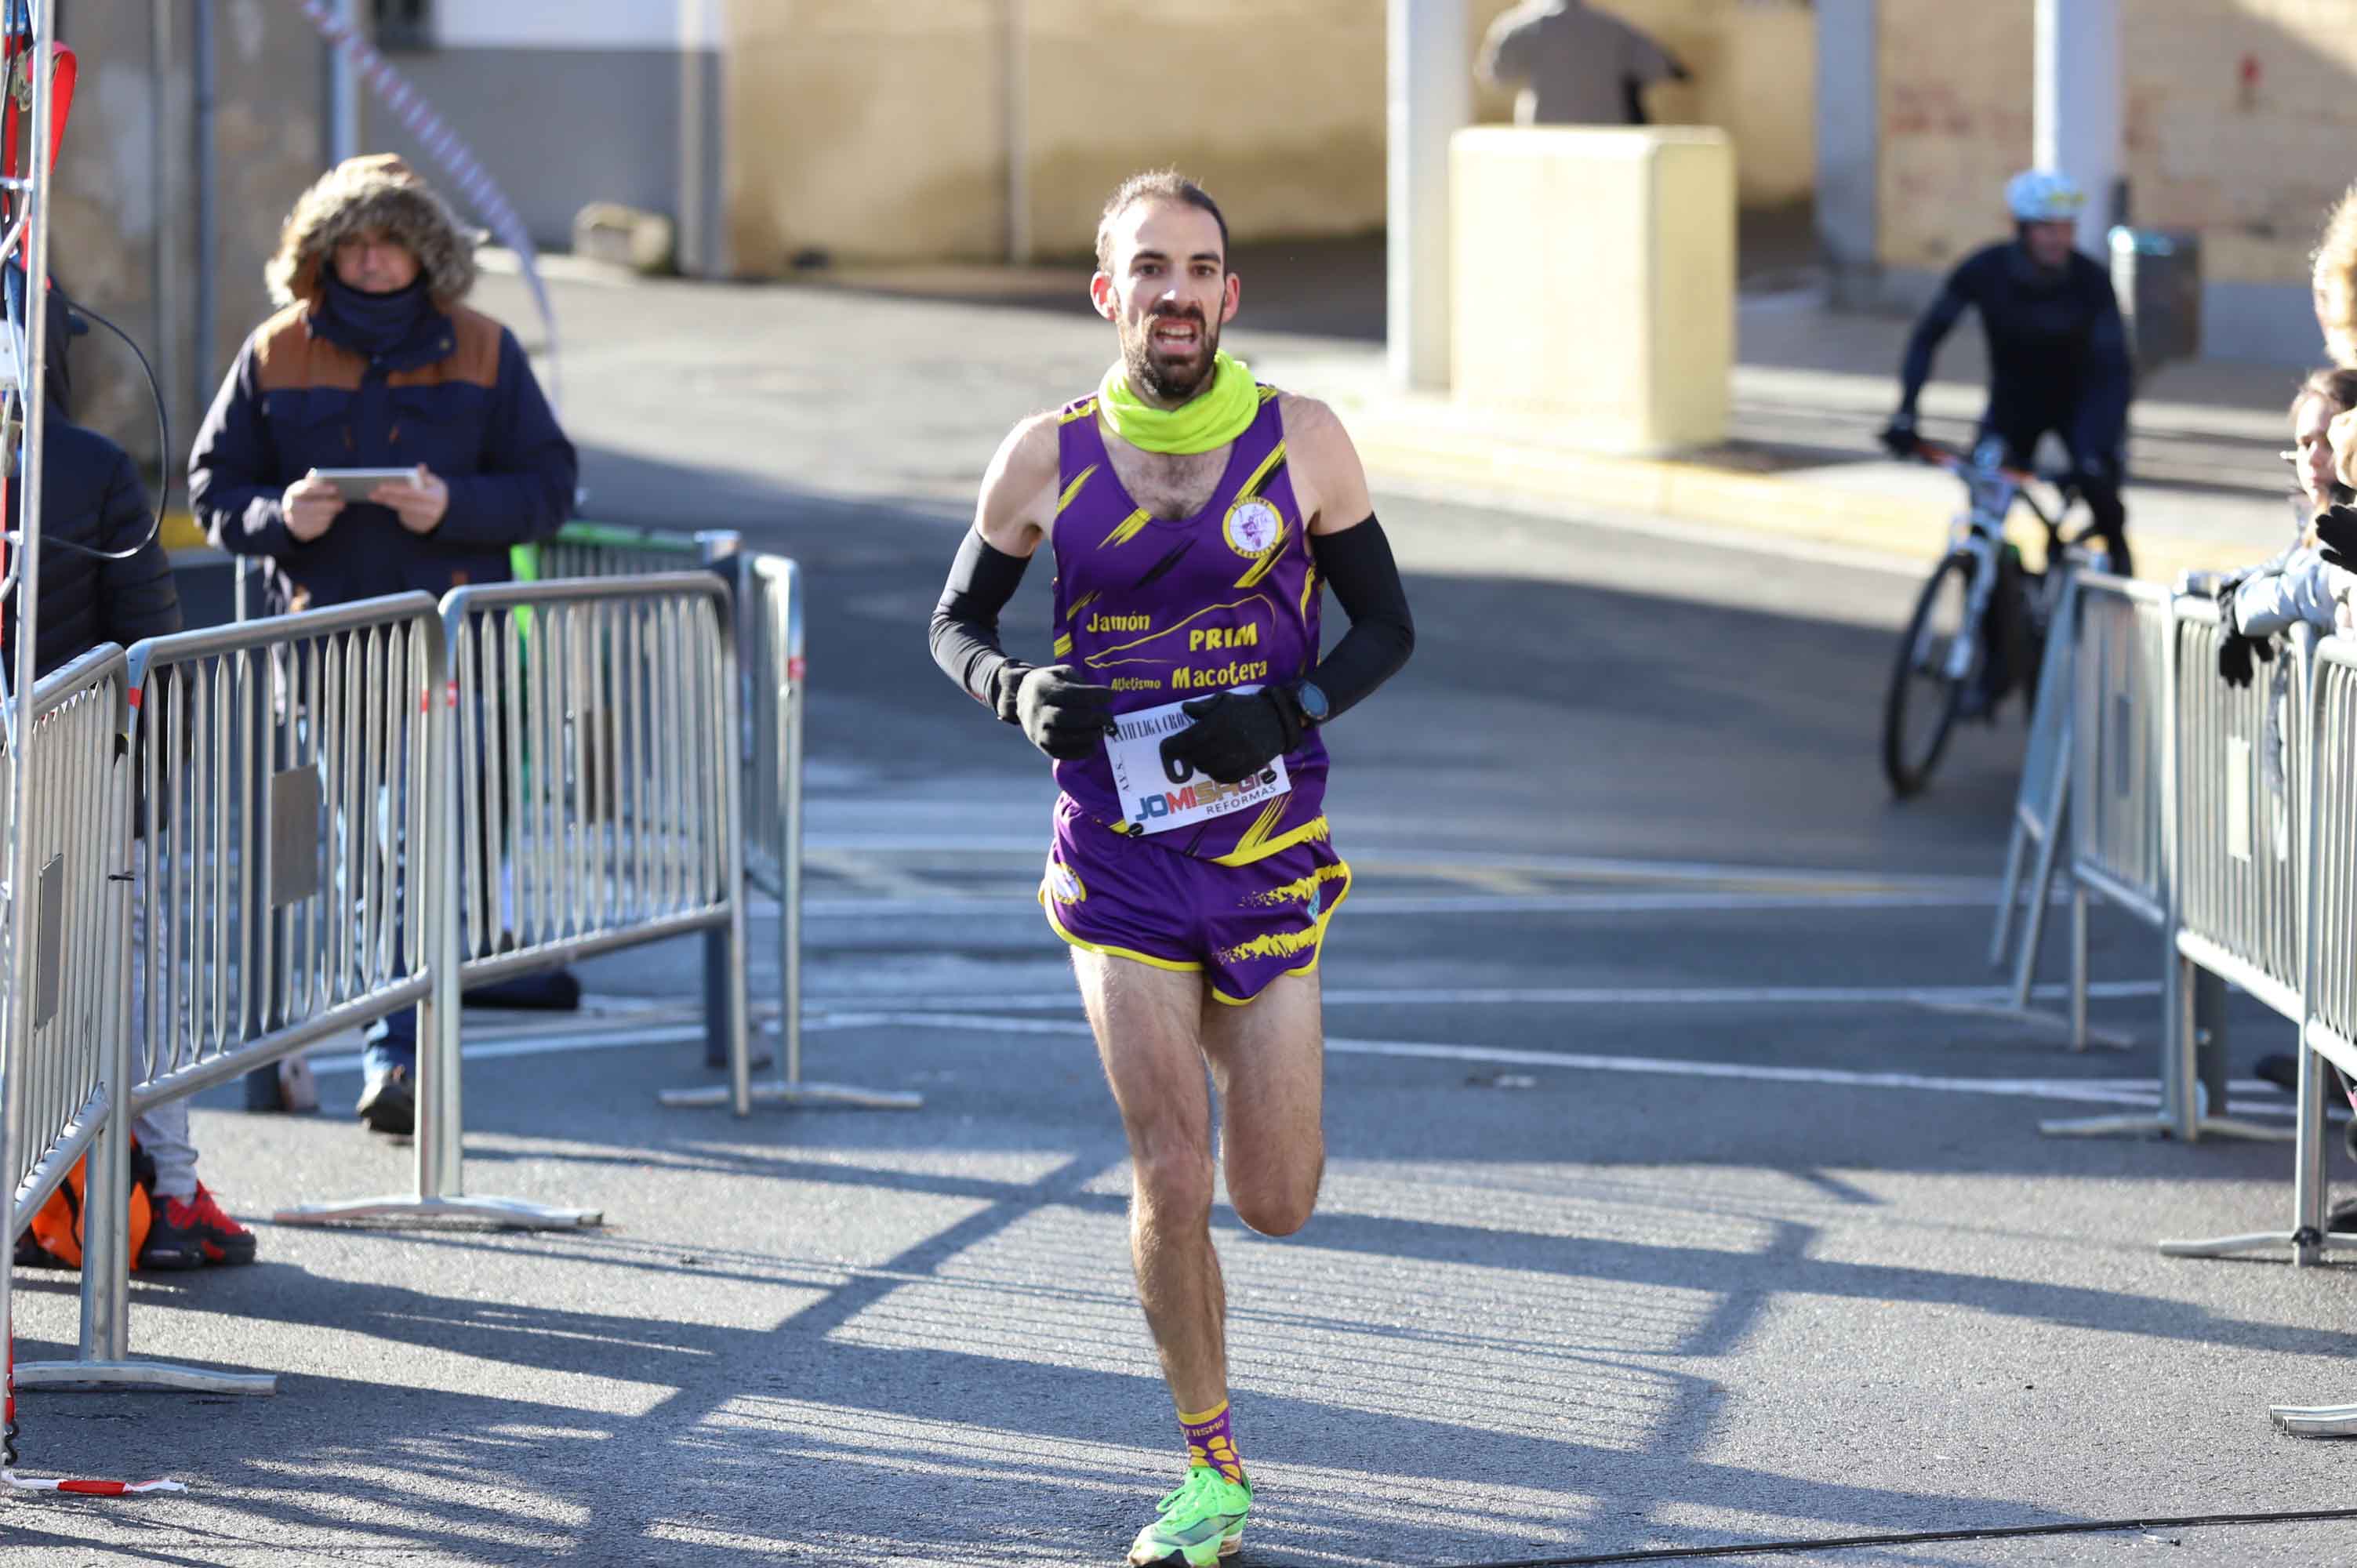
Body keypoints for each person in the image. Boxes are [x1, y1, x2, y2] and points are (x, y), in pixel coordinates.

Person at [928, 171, 1415, 1567]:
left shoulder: (1303, 440)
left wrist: (1289, 710)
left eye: (1200, 268)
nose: (1178, 293)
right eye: (1150, 268)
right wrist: (1014, 694)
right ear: (1109, 292)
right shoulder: (1046, 454)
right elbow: (957, 622)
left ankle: (1243, 1036)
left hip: (1263, 854)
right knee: (1169, 1170)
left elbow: (1385, 628)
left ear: (1229, 293)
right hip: (1117, 861)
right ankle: (1210, 1473)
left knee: (1277, 1197)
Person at [187, 154, 577, 1135]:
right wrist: (286, 514)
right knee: (364, 861)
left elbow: (549, 484)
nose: (368, 262)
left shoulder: (485, 346)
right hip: (327, 650)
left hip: (451, 648)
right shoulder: (275, 349)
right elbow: (213, 489)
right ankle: (389, 1045)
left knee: (425, 852)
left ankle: (394, 1052)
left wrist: (455, 503)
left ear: (423, 252)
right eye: (351, 244)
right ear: (320, 252)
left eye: (387, 243)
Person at [2, 387, 254, 1268]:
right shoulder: (88, 462)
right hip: (87, 784)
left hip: (65, 777)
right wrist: (143, 794)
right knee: (128, 981)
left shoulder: (75, 466)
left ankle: (56, 1202)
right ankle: (169, 1192)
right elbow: (152, 647)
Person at [1881, 170, 2136, 578]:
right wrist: (1906, 412)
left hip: (2081, 405)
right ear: (2022, 228)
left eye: (2067, 228)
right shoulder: (1985, 269)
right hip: (2012, 406)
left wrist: (2101, 446)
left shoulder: (2090, 279)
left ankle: (2120, 562)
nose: (2058, 239)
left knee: (2101, 490)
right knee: (1983, 510)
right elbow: (1928, 337)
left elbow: (2116, 369)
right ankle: (1990, 611)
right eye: (2046, 228)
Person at [1476, 0, 1687, 127]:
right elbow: (1668, 68)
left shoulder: (1519, 27)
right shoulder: (1612, 28)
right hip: (1605, 144)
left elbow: (1495, 74)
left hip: (1546, 142)